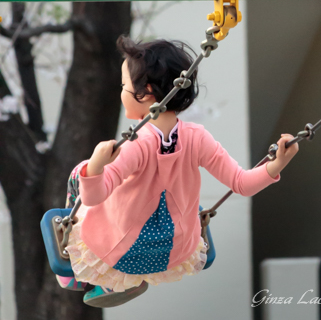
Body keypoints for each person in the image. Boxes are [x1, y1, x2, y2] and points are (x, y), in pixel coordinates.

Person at [56, 35, 299, 307]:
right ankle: (110, 281)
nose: (121, 92)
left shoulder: (137, 144)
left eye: (124, 86)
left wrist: (96, 165)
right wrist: (276, 164)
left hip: (122, 248)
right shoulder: (198, 137)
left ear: (146, 92)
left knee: (82, 174)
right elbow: (241, 183)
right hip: (175, 250)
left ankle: (79, 266)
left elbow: (94, 196)